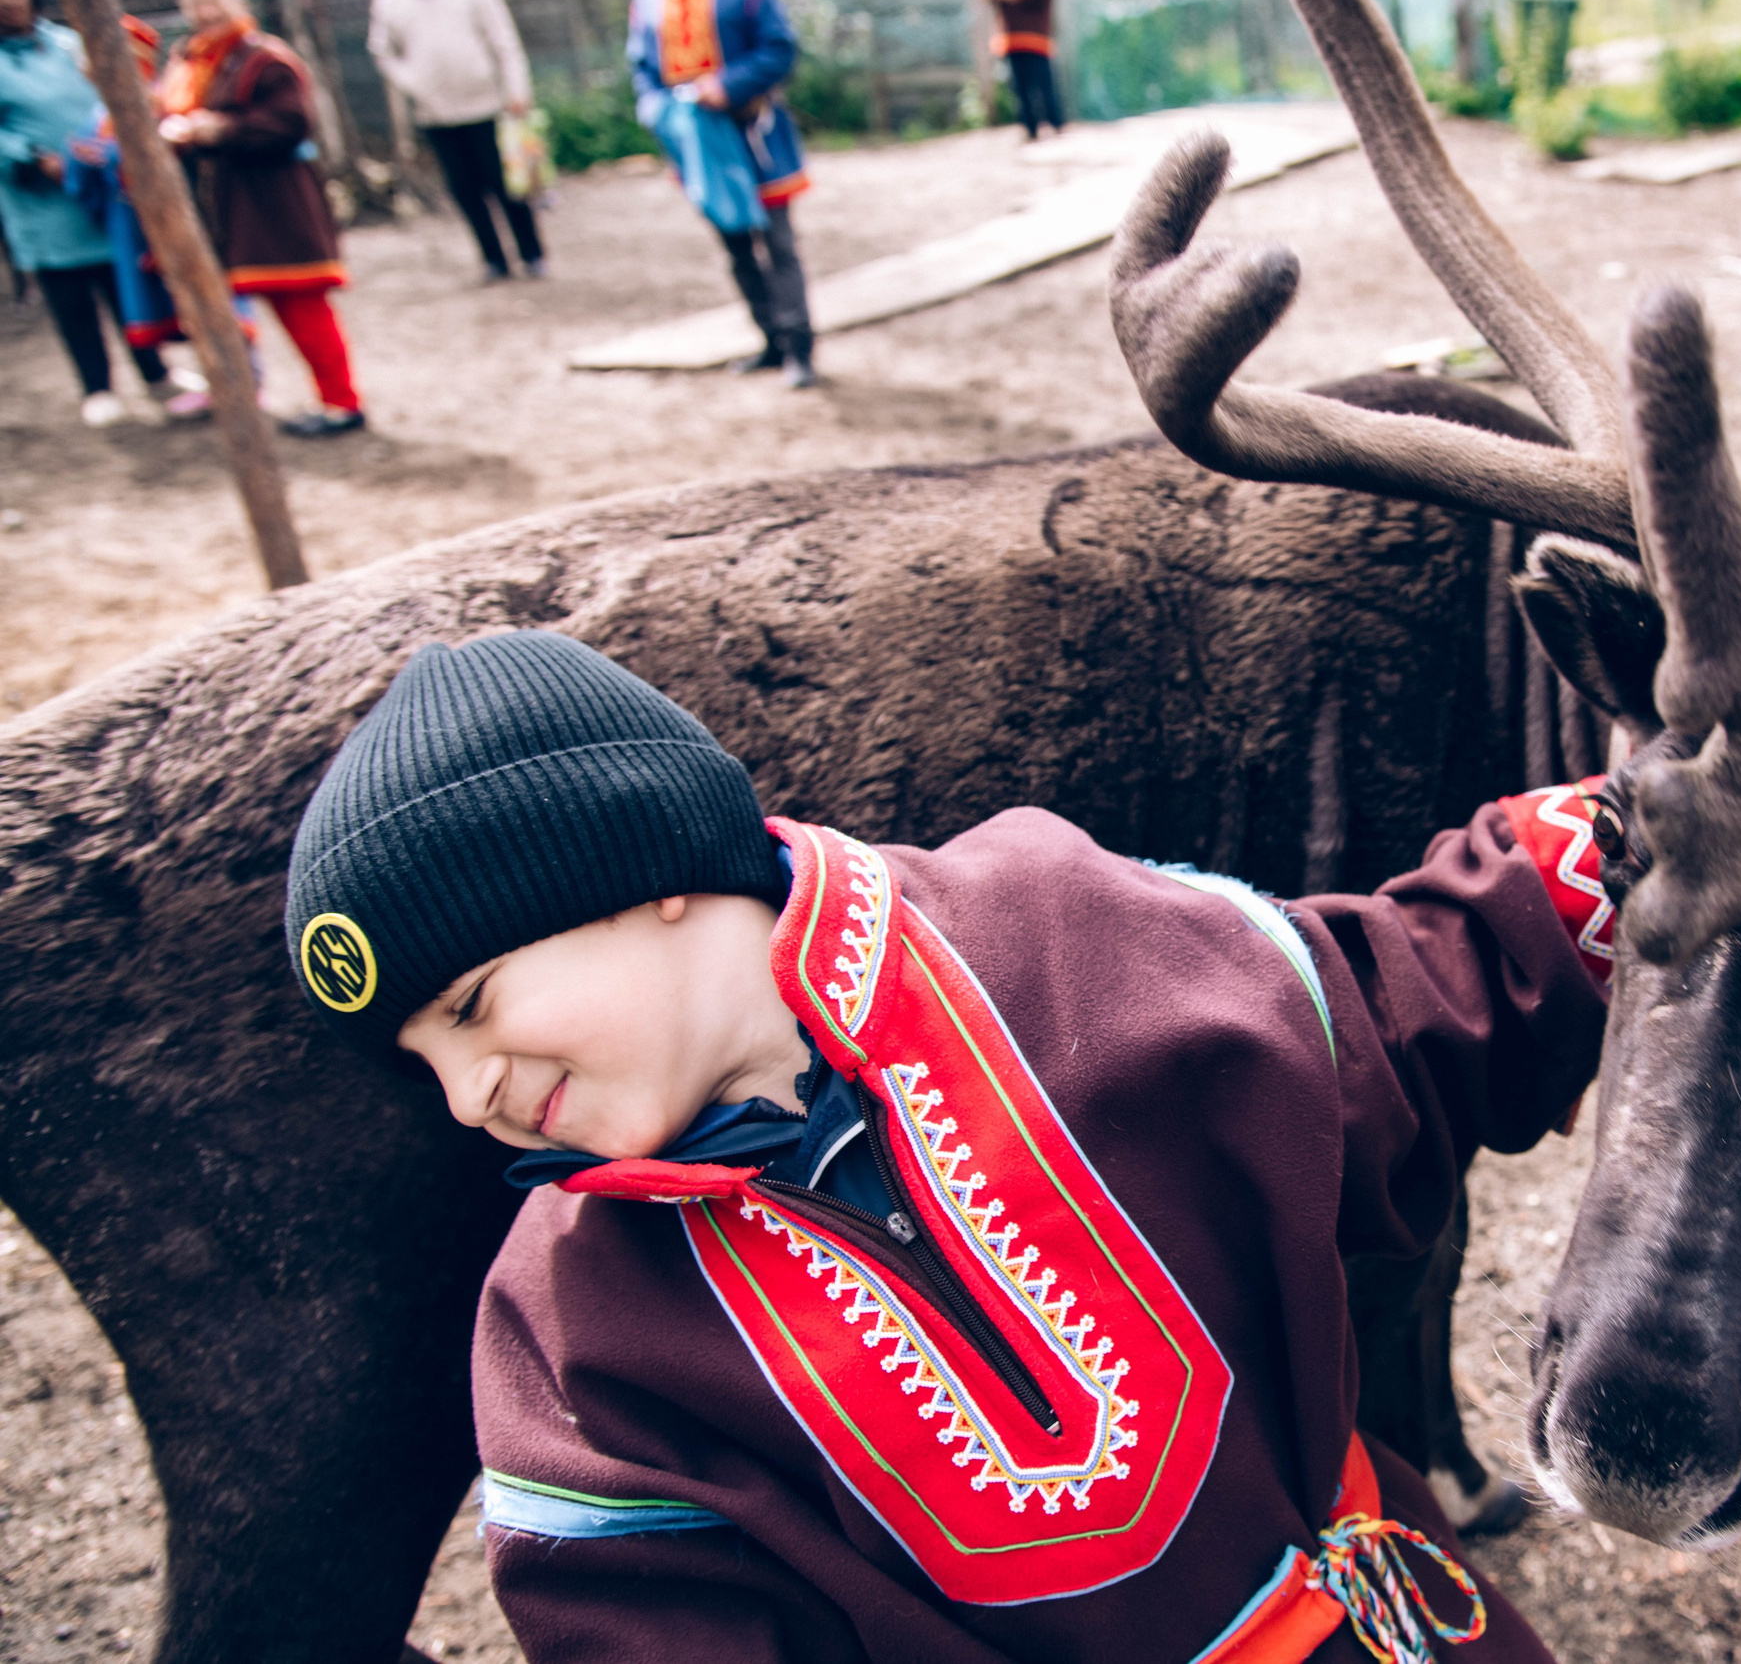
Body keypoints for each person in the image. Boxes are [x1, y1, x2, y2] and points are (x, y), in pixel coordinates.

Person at [283, 630, 1615, 1662]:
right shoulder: (569, 1336)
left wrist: (1629, 841)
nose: (468, 1095)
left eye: (472, 1008)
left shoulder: (1053, 930)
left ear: (639, 872)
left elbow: (1398, 1012)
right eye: (426, 1061)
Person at [159, 0, 366, 437]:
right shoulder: (189, 60)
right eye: (194, 3)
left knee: (303, 304)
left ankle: (342, 402)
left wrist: (219, 130)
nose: (205, 12)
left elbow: (291, 123)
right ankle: (239, 394)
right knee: (219, 308)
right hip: (222, 208)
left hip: (276, 205)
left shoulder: (265, 59)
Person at [0, 0, 186, 425]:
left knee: (125, 283)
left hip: (103, 189)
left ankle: (155, 372)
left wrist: (108, 144)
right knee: (70, 296)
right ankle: (97, 387)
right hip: (42, 201)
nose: (9, 0)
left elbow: (112, 96)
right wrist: (31, 155)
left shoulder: (68, 44)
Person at [628, 0, 817, 388]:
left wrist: (727, 86)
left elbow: (779, 48)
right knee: (735, 245)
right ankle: (770, 339)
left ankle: (799, 347)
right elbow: (641, 69)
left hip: (754, 136)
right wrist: (661, 112)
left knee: (778, 243)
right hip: (697, 142)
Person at [62, 14, 243, 422]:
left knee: (211, 299)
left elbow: (173, 159)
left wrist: (109, 158)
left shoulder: (165, 104)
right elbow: (84, 180)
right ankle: (213, 382)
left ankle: (241, 380)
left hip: (182, 223)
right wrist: (82, 163)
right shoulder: (98, 118)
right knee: (175, 306)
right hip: (132, 228)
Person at [367, 0, 544, 283]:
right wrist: (413, 83)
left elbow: (504, 39)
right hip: (436, 113)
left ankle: (532, 254)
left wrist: (517, 90)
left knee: (507, 183)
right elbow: (382, 52)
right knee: (464, 188)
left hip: (488, 105)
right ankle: (494, 260)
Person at [981, 0, 1061, 141]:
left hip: (1035, 33)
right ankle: (1029, 126)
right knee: (1019, 84)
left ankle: (1054, 122)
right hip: (1011, 34)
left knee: (1042, 81)